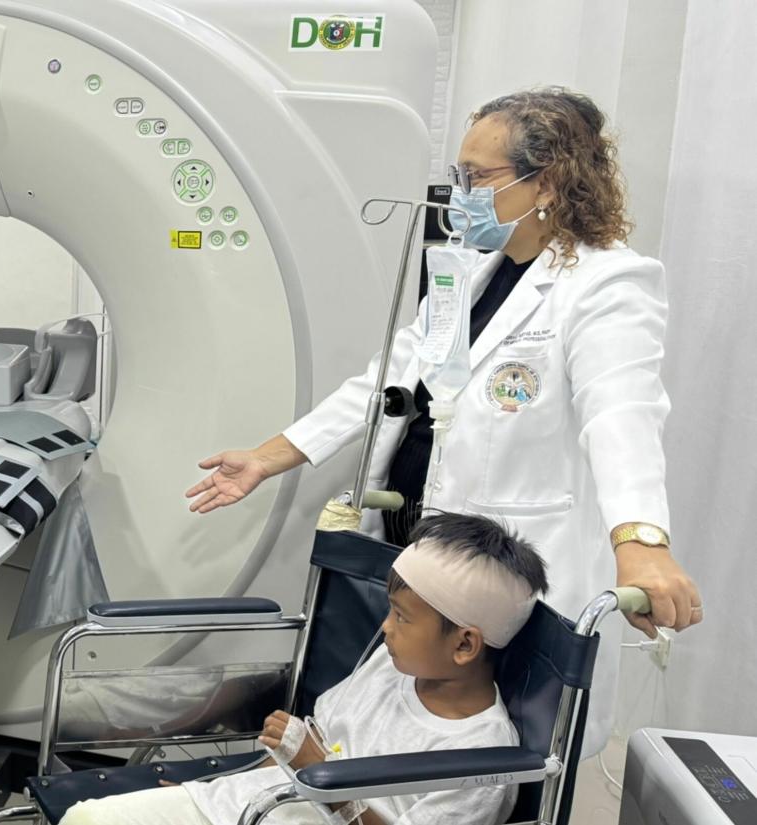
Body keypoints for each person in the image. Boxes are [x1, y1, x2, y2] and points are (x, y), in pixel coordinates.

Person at [183, 87, 701, 748]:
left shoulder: (606, 284)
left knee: (507, 743)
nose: (462, 192)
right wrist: (269, 455)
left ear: (546, 182)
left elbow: (622, 414)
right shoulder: (473, 272)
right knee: (416, 722)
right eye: (459, 175)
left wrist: (641, 543)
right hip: (427, 538)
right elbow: (387, 375)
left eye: (477, 177)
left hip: (517, 558)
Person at [61, 513, 548, 825]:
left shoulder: (481, 762)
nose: (385, 628)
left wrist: (320, 771)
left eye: (401, 616)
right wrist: (209, 792)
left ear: (464, 644)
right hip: (246, 806)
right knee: (85, 821)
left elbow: (316, 762)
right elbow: (308, 746)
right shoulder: (392, 665)